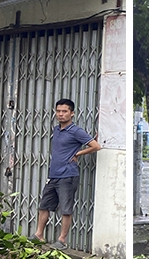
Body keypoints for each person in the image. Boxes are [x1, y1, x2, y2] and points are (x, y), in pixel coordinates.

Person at [33, 98, 100, 248]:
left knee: (66, 209)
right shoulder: (57, 129)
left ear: (72, 113)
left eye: (64, 111)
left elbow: (96, 146)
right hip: (54, 175)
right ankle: (39, 235)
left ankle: (62, 240)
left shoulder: (76, 131)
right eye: (58, 111)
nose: (61, 114)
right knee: (44, 205)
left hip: (68, 175)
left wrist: (78, 153)